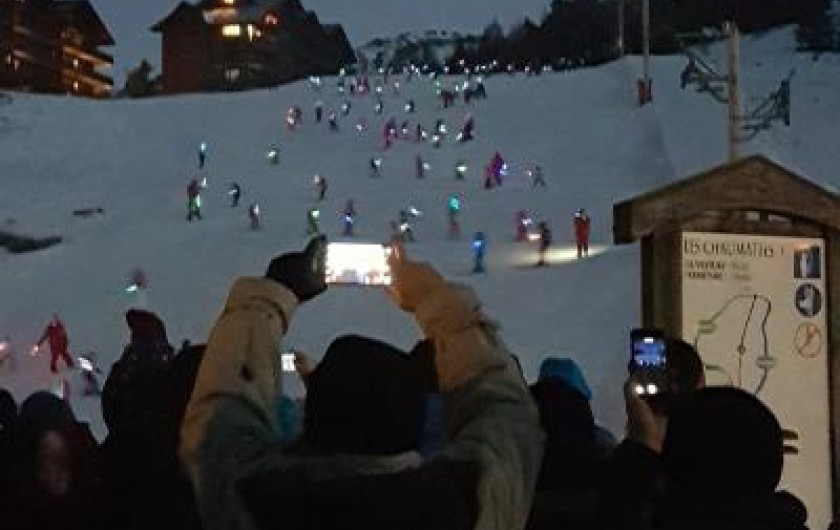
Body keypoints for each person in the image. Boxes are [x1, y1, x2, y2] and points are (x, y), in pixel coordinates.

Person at [178, 237, 543, 530]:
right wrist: (434, 298)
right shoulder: (468, 502)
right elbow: (504, 410)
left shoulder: (256, 503)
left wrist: (270, 296)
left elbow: (222, 415)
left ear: (312, 420)